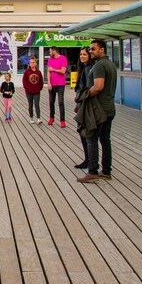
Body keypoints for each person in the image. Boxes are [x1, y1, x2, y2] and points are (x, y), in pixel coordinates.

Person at [77, 39, 117, 183]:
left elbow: (98, 86)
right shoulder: (110, 65)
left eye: (93, 49)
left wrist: (85, 95)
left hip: (98, 109)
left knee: (91, 137)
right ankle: (106, 171)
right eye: (90, 49)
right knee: (105, 139)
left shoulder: (99, 66)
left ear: (102, 49)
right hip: (109, 108)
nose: (91, 52)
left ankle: (92, 171)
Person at [72, 47, 93, 168]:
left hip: (85, 105)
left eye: (85, 54)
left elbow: (85, 89)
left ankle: (89, 160)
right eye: (81, 54)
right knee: (84, 132)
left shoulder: (88, 69)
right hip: (81, 104)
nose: (82, 56)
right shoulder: (84, 68)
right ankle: (88, 158)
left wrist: (80, 103)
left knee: (84, 132)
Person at [47, 46, 68, 127]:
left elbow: (63, 71)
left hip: (60, 84)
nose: (49, 53)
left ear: (55, 51)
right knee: (51, 102)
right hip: (52, 84)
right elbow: (48, 71)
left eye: (50, 51)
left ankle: (62, 120)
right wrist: (49, 83)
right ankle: (51, 117)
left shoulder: (63, 58)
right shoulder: (50, 59)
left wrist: (53, 70)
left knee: (60, 102)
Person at [22, 57, 44, 124]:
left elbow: (41, 81)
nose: (31, 64)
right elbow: (24, 81)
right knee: (30, 104)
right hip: (29, 91)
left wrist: (40, 88)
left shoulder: (38, 72)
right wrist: (26, 88)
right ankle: (31, 118)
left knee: (37, 104)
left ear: (36, 63)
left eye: (33, 62)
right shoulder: (27, 72)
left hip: (36, 91)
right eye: (30, 62)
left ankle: (38, 118)